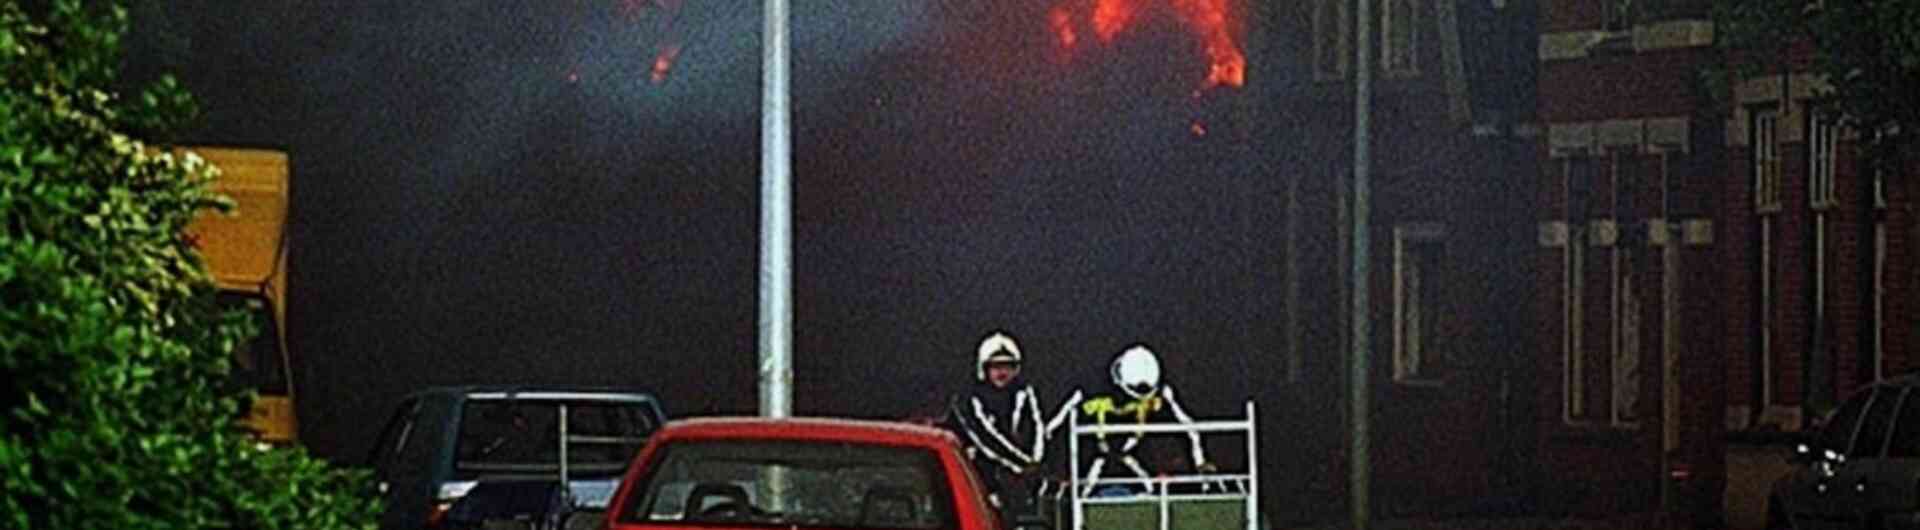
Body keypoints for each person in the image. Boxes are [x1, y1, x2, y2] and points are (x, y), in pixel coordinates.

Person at [1075, 343, 1212, 496]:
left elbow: (1189, 427)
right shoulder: (1094, 393)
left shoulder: (1160, 396)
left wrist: (1201, 464)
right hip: (1104, 450)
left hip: (1133, 450)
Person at [947, 330, 1047, 510]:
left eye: (1007, 366)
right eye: (995, 366)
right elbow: (986, 438)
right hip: (978, 476)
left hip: (1016, 478)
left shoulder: (1025, 393)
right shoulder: (968, 399)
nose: (1002, 372)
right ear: (984, 369)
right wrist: (1024, 465)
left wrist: (1035, 461)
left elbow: (1036, 427)